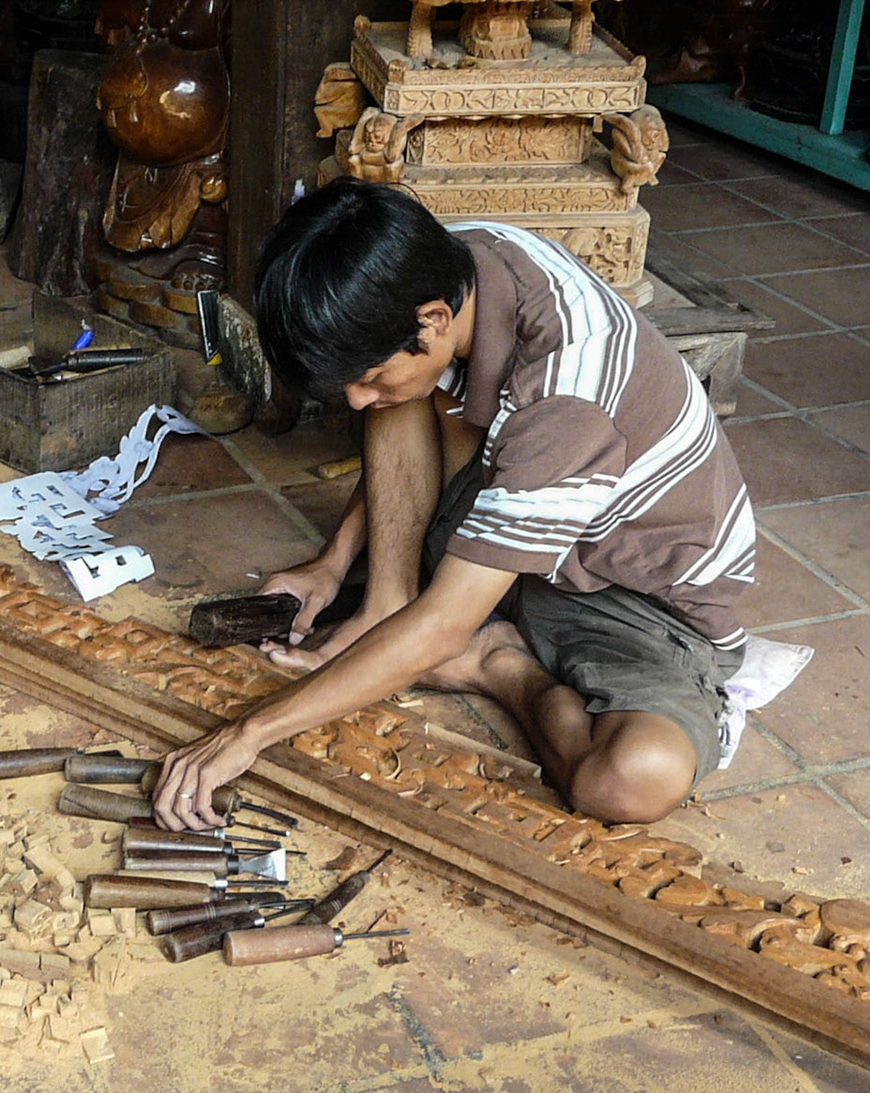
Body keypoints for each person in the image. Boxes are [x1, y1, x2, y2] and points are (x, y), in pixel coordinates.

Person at [153, 180, 754, 829]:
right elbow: (395, 393)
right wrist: (332, 563)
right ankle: (389, 603)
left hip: (630, 597)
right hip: (522, 509)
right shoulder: (444, 263)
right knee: (404, 385)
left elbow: (443, 622)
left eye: (364, 379)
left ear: (436, 319)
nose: (355, 403)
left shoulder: (567, 396)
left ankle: (495, 664)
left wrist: (248, 733)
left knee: (633, 780)